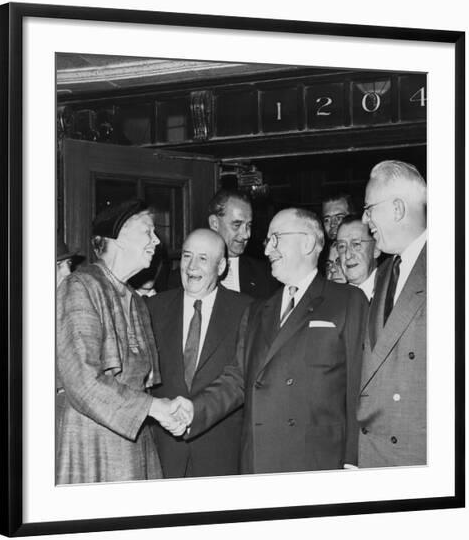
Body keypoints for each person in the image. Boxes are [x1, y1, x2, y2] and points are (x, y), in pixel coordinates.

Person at [176, 208, 369, 474]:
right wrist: (193, 411)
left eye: (276, 239)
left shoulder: (347, 301)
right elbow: (236, 380)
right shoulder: (257, 311)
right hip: (260, 461)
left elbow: (359, 385)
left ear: (307, 242)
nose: (268, 251)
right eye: (268, 242)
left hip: (318, 462)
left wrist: (353, 459)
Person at [55, 199, 187, 484]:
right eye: (148, 232)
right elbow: (82, 380)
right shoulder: (79, 287)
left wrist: (162, 410)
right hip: (91, 441)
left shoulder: (136, 300)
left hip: (135, 438)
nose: (156, 241)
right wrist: (153, 408)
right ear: (118, 238)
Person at [147, 229, 252, 477]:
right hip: (164, 454)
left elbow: (241, 380)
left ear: (222, 265)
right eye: (186, 256)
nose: (192, 266)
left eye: (203, 258)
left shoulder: (247, 309)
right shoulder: (153, 308)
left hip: (221, 455)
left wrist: (196, 410)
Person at [357, 160, 427, 468]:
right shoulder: (385, 272)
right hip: (373, 452)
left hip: (417, 455)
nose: (364, 218)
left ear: (397, 209)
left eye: (369, 208)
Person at [208, 189, 279, 298]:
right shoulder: (189, 273)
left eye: (249, 225)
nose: (246, 234)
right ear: (214, 223)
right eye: (237, 225)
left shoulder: (265, 275)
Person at [336, 215, 380, 301]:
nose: (347, 255)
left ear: (376, 249)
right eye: (341, 246)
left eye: (356, 244)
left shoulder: (393, 289)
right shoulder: (335, 300)